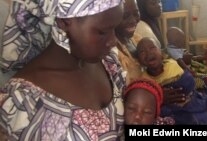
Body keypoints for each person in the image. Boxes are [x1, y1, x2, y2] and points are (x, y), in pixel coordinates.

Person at [0, 0, 126, 140]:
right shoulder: (24, 102)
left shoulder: (108, 61)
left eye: (115, 28)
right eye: (102, 32)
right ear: (64, 22)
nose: (113, 40)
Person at [136, 37, 207, 124]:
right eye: (142, 52)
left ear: (161, 51)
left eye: (152, 48)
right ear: (139, 60)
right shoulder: (144, 80)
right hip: (177, 113)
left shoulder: (172, 63)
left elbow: (188, 81)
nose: (148, 53)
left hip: (193, 101)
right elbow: (148, 102)